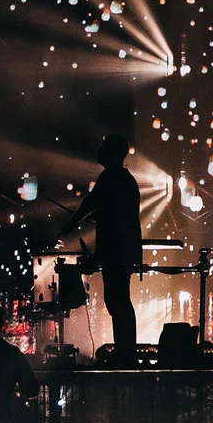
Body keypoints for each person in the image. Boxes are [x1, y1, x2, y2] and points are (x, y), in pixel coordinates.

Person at [61, 134, 144, 362]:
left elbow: (91, 203)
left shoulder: (110, 177)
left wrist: (71, 223)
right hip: (123, 251)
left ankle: (125, 353)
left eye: (103, 148)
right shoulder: (124, 179)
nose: (98, 151)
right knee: (120, 301)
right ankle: (126, 350)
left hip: (116, 251)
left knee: (117, 302)